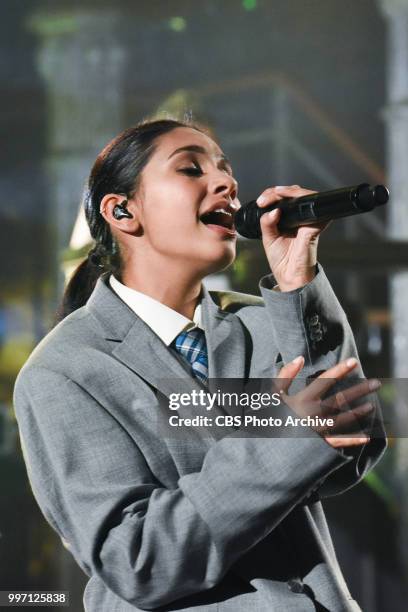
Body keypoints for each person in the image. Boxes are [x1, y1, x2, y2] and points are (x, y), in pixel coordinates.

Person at [13, 118, 386, 612]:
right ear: (122, 210)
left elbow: (352, 449)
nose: (229, 185)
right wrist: (283, 442)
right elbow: (139, 562)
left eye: (227, 172)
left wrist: (298, 280)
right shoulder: (66, 370)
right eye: (191, 169)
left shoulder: (264, 320)